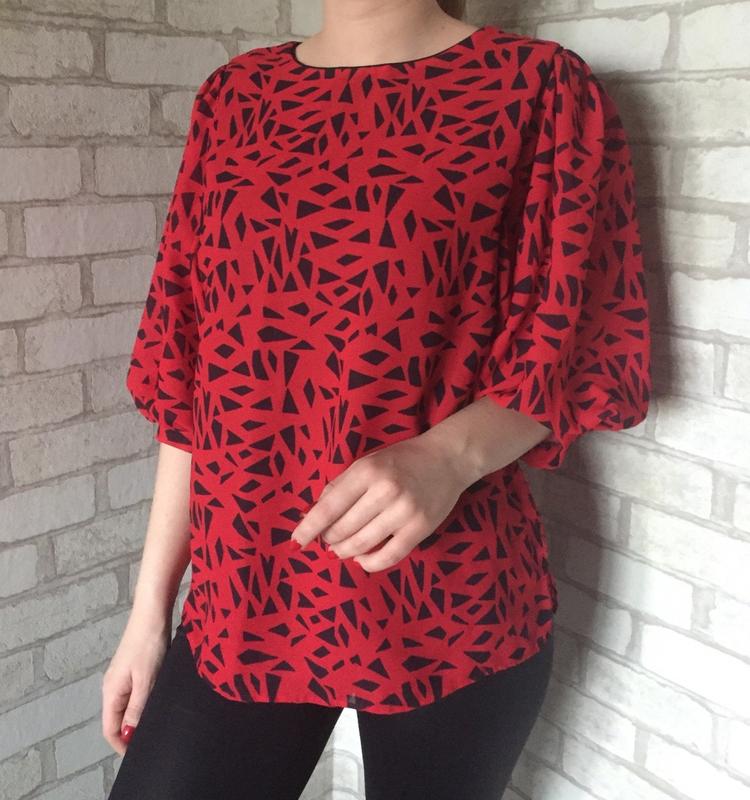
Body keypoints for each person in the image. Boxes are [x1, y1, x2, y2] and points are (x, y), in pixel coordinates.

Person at [102, 1, 652, 797]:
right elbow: (192, 380)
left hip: (450, 603)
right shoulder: (235, 97)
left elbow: (579, 340)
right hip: (245, 596)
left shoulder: (538, 88)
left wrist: (448, 456)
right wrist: (149, 616)